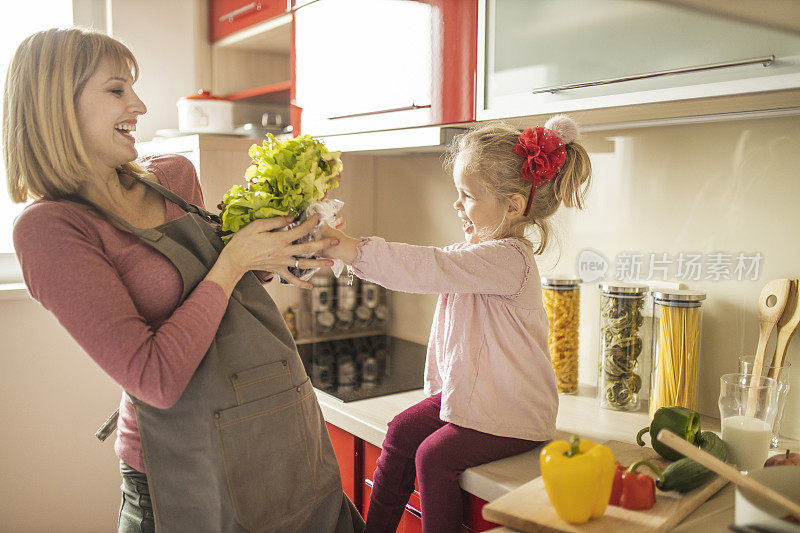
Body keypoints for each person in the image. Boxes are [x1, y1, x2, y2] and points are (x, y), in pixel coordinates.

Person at [5, 27, 363, 533]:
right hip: (181, 467)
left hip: (279, 427)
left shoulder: (171, 175)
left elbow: (217, 291)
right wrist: (235, 261)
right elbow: (156, 378)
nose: (140, 105)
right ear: (57, 106)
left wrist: (283, 252)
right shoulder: (51, 229)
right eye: (116, 90)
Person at [321, 117, 592, 532]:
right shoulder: (480, 254)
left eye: (466, 195)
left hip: (515, 412)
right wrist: (349, 253)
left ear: (513, 206)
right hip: (476, 397)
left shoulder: (508, 259)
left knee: (433, 457)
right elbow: (429, 266)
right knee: (401, 430)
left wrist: (352, 249)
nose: (456, 204)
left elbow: (429, 266)